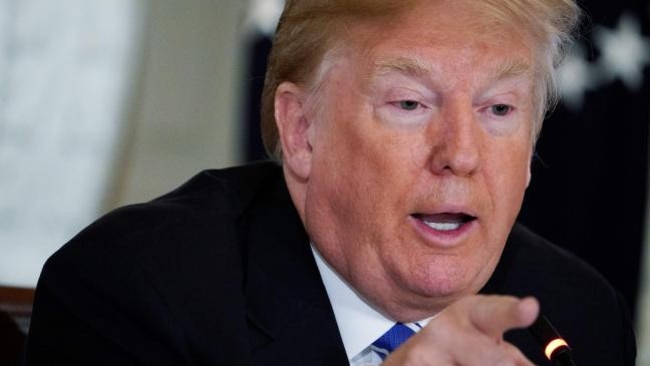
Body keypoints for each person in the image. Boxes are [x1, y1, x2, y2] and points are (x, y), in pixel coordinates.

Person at [23, 0, 636, 365]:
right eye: (410, 104)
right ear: (302, 131)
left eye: (499, 110)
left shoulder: (580, 315)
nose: (461, 155)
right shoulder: (135, 293)